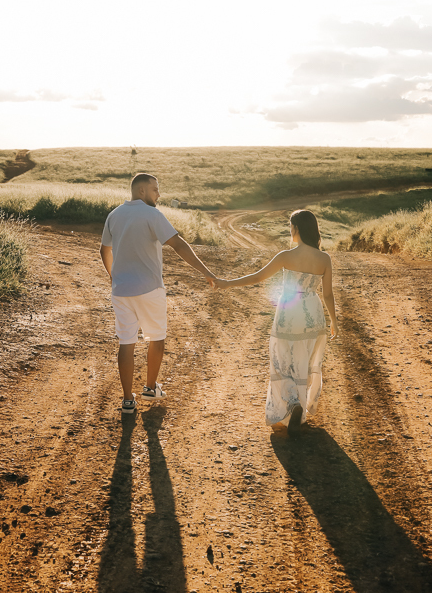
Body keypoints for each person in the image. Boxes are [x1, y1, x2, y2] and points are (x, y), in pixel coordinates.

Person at [100, 173, 216, 415]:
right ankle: (150, 388)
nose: (159, 194)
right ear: (142, 191)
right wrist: (206, 271)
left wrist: (114, 277)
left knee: (126, 342)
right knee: (157, 338)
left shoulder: (114, 215)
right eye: (155, 189)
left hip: (121, 290)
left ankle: (127, 400)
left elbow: (104, 249)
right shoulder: (152, 215)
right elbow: (179, 244)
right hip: (150, 289)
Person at [215, 209, 337, 435]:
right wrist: (334, 321)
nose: (289, 231)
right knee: (303, 360)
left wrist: (226, 283)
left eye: (291, 227)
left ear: (297, 229)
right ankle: (298, 402)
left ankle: (292, 403)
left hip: (289, 312)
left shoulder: (285, 256)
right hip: (313, 311)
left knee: (282, 359)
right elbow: (328, 295)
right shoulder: (324, 258)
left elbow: (257, 277)